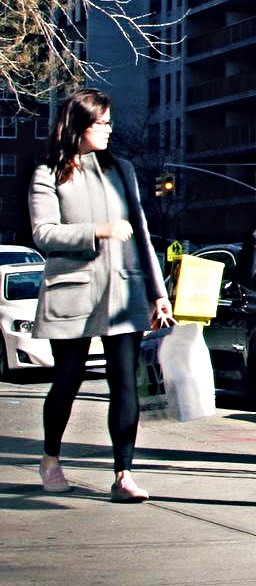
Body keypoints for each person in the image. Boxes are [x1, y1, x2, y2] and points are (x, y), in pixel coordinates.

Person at [28, 88, 176, 502]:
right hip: (72, 291)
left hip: (124, 289)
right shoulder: (48, 172)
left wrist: (157, 291)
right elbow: (43, 234)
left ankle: (123, 474)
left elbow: (143, 234)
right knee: (68, 379)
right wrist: (99, 231)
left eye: (111, 123)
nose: (110, 130)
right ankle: (51, 458)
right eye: (102, 124)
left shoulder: (122, 169)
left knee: (124, 383)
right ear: (78, 125)